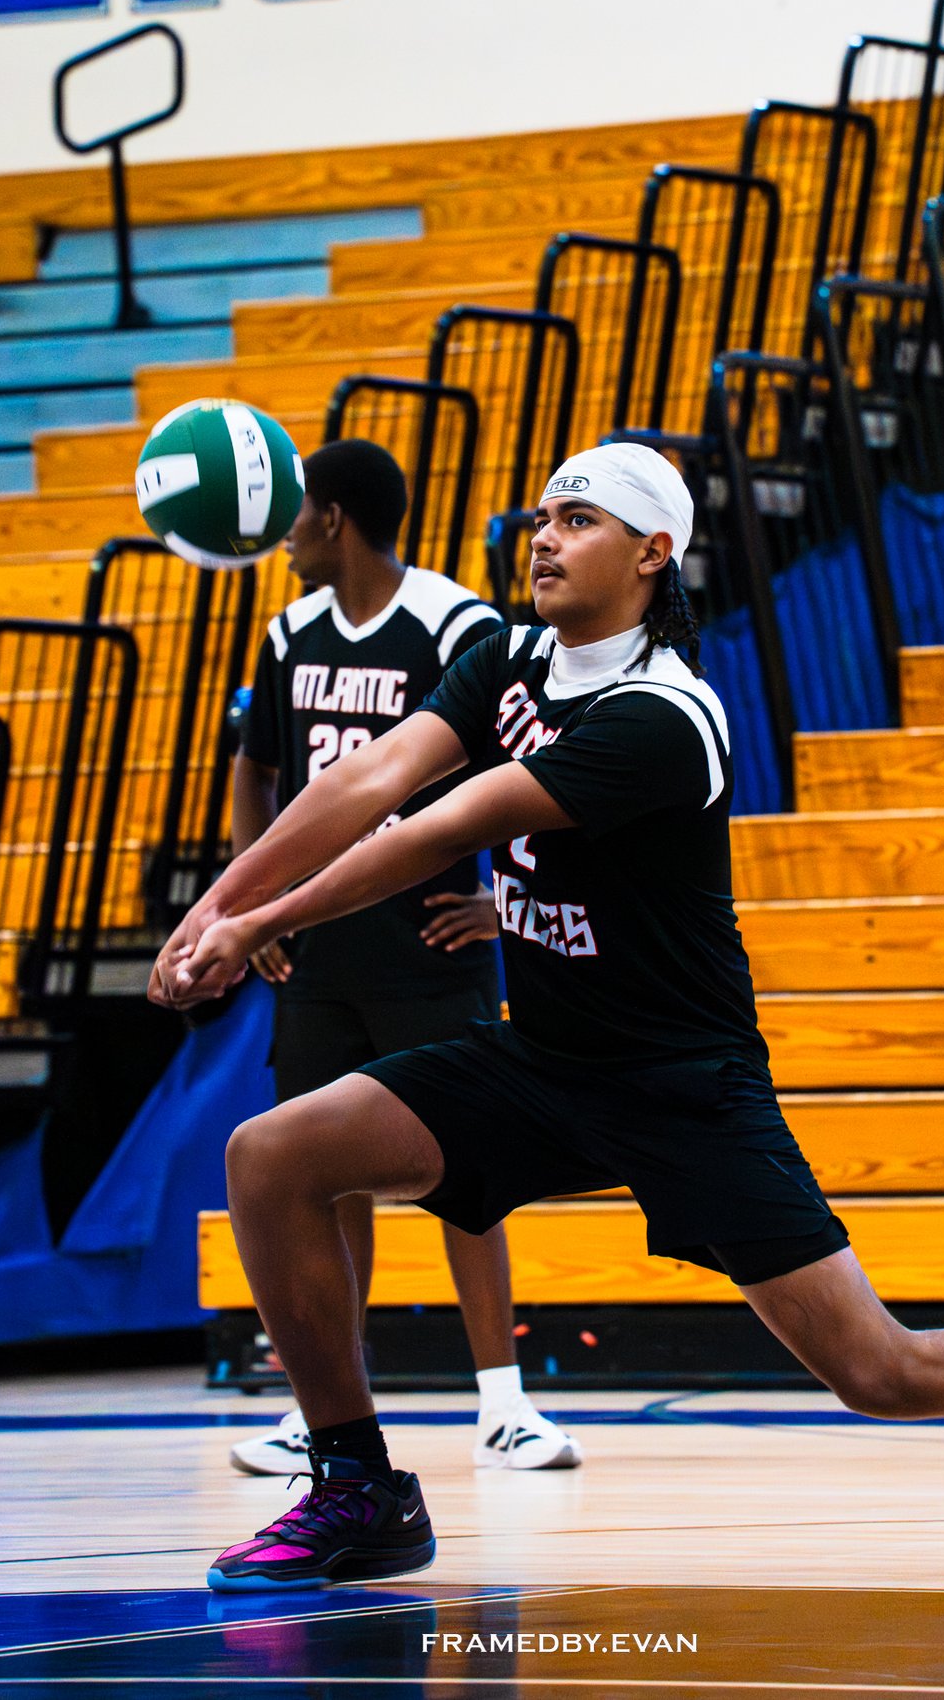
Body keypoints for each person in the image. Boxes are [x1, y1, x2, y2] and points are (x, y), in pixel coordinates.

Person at [152, 441, 944, 1594]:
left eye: (578, 520)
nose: (545, 537)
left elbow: (436, 828)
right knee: (272, 1156)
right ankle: (357, 1488)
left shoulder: (666, 712)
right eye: (543, 516)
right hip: (544, 1058)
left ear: (653, 552)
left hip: (681, 1082)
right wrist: (220, 905)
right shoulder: (511, 658)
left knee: (882, 1370)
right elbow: (363, 781)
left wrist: (260, 921)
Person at [224, 438, 580, 1479]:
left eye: (298, 513)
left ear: (334, 518)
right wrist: (252, 898)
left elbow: (547, 767)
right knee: (317, 1178)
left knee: (468, 1171)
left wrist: (504, 901)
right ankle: (328, 1409)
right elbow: (255, 767)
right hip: (319, 952)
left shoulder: (459, 624)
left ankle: (504, 1405)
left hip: (429, 944)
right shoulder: (287, 632)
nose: (286, 535)